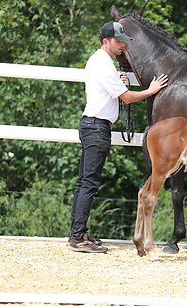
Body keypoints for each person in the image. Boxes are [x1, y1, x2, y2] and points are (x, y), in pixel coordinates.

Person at [68, 21, 168, 253]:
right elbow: (128, 98)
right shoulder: (103, 64)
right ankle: (77, 237)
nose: (123, 44)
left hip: (92, 125)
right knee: (89, 183)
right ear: (106, 41)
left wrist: (118, 84)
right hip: (96, 128)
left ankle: (79, 232)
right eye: (118, 40)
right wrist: (151, 90)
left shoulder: (99, 62)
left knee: (84, 181)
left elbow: (95, 92)